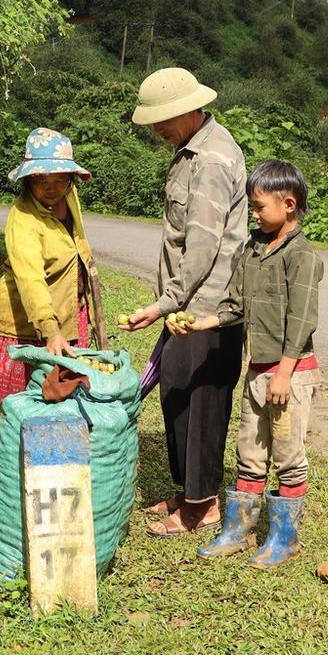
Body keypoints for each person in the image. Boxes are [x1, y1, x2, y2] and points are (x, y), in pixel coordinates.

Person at [171, 160, 323, 567]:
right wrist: (203, 322)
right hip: (258, 372)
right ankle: (237, 530)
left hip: (288, 374)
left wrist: (285, 374)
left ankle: (284, 538)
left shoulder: (303, 257)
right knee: (250, 451)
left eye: (259, 208)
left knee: (288, 455)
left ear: (288, 205)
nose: (253, 215)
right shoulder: (252, 250)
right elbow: (235, 304)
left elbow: (302, 319)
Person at [117, 67, 248, 537]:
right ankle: (188, 489)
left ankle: (202, 505)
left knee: (202, 401)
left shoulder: (211, 160)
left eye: (164, 119)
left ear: (191, 109)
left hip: (207, 307)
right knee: (175, 388)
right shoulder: (190, 150)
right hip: (187, 303)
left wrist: (165, 303)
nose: (158, 130)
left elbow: (203, 245)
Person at [0, 128, 98, 405]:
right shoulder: (22, 217)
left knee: (67, 399)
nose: (52, 188)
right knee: (25, 407)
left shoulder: (69, 196)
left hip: (70, 309)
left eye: (60, 180)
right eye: (42, 180)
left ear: (71, 179)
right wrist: (50, 329)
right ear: (29, 180)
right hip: (29, 322)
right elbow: (30, 279)